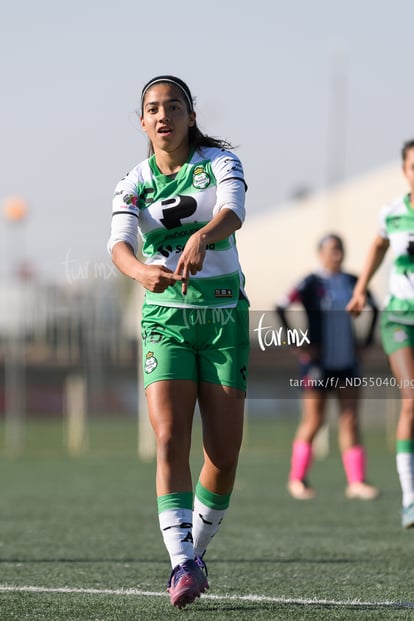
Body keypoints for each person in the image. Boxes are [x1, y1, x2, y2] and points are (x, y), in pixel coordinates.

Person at [107, 75, 249, 607]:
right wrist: (141, 272)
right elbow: (119, 246)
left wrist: (201, 235)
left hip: (222, 318)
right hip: (164, 320)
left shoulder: (219, 162)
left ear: (191, 116)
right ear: (142, 122)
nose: (163, 116)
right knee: (169, 439)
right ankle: (181, 564)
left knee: (224, 453)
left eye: (173, 107)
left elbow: (232, 211)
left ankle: (198, 551)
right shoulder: (132, 181)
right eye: (152, 109)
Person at [276, 233, 379, 501]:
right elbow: (281, 305)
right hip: (318, 364)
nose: (337, 254)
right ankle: (297, 479)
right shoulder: (311, 282)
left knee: (350, 420)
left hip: (348, 362)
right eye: (332, 249)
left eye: (340, 249)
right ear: (321, 253)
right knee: (314, 420)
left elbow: (376, 307)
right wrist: (296, 342)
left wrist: (366, 342)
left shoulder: (353, 281)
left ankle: (356, 482)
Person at [347, 139, 414, 528]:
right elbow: (377, 246)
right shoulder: (391, 213)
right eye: (413, 165)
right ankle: (409, 498)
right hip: (400, 320)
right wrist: (360, 290)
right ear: (404, 170)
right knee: (411, 402)